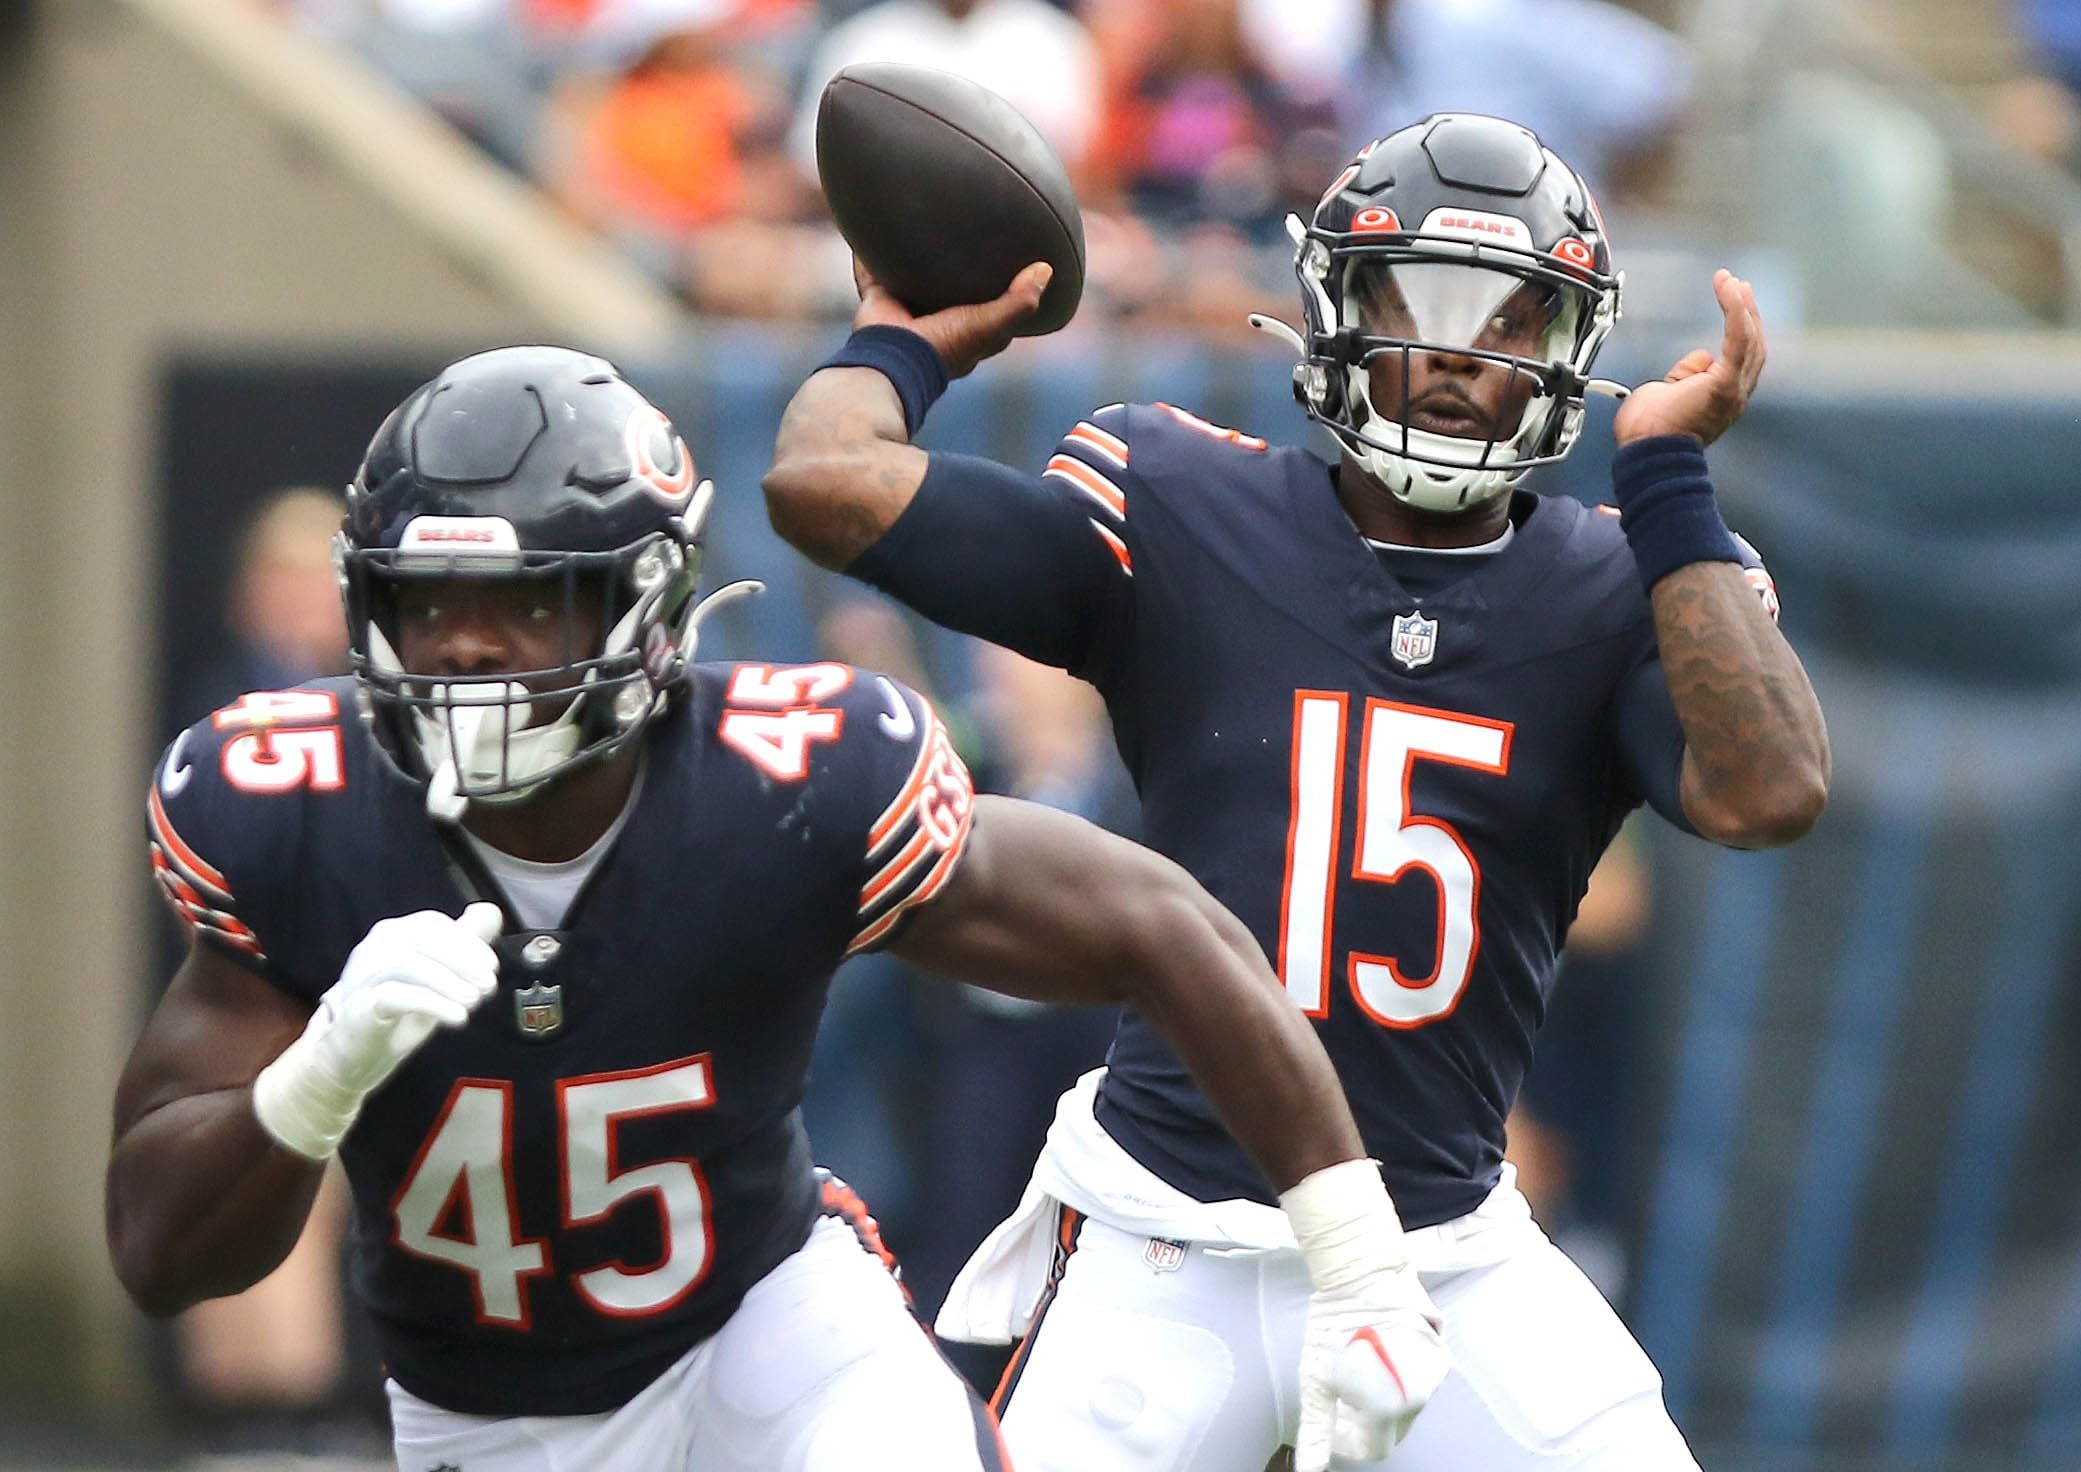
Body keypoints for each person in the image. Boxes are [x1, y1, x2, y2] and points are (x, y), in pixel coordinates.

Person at [107, 346, 1449, 1472]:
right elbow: (158, 1253)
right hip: (487, 1419)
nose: (466, 646)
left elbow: (1163, 927)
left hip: (767, 1330)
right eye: (431, 598)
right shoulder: (293, 804)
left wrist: (1357, 1263)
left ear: (645, 605)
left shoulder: (777, 784)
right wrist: (310, 1085)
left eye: (524, 601)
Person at [763, 112, 1831, 1470]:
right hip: (1165, 1236)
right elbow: (820, 483)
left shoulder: (1627, 575)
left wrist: (1674, 480)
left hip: (1446, 1250)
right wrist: (905, 342)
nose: (1457, 354)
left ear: (1562, 358)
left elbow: (1769, 792)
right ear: (1335, 310)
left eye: (1508, 322)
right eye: (1422, 306)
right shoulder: (1182, 502)